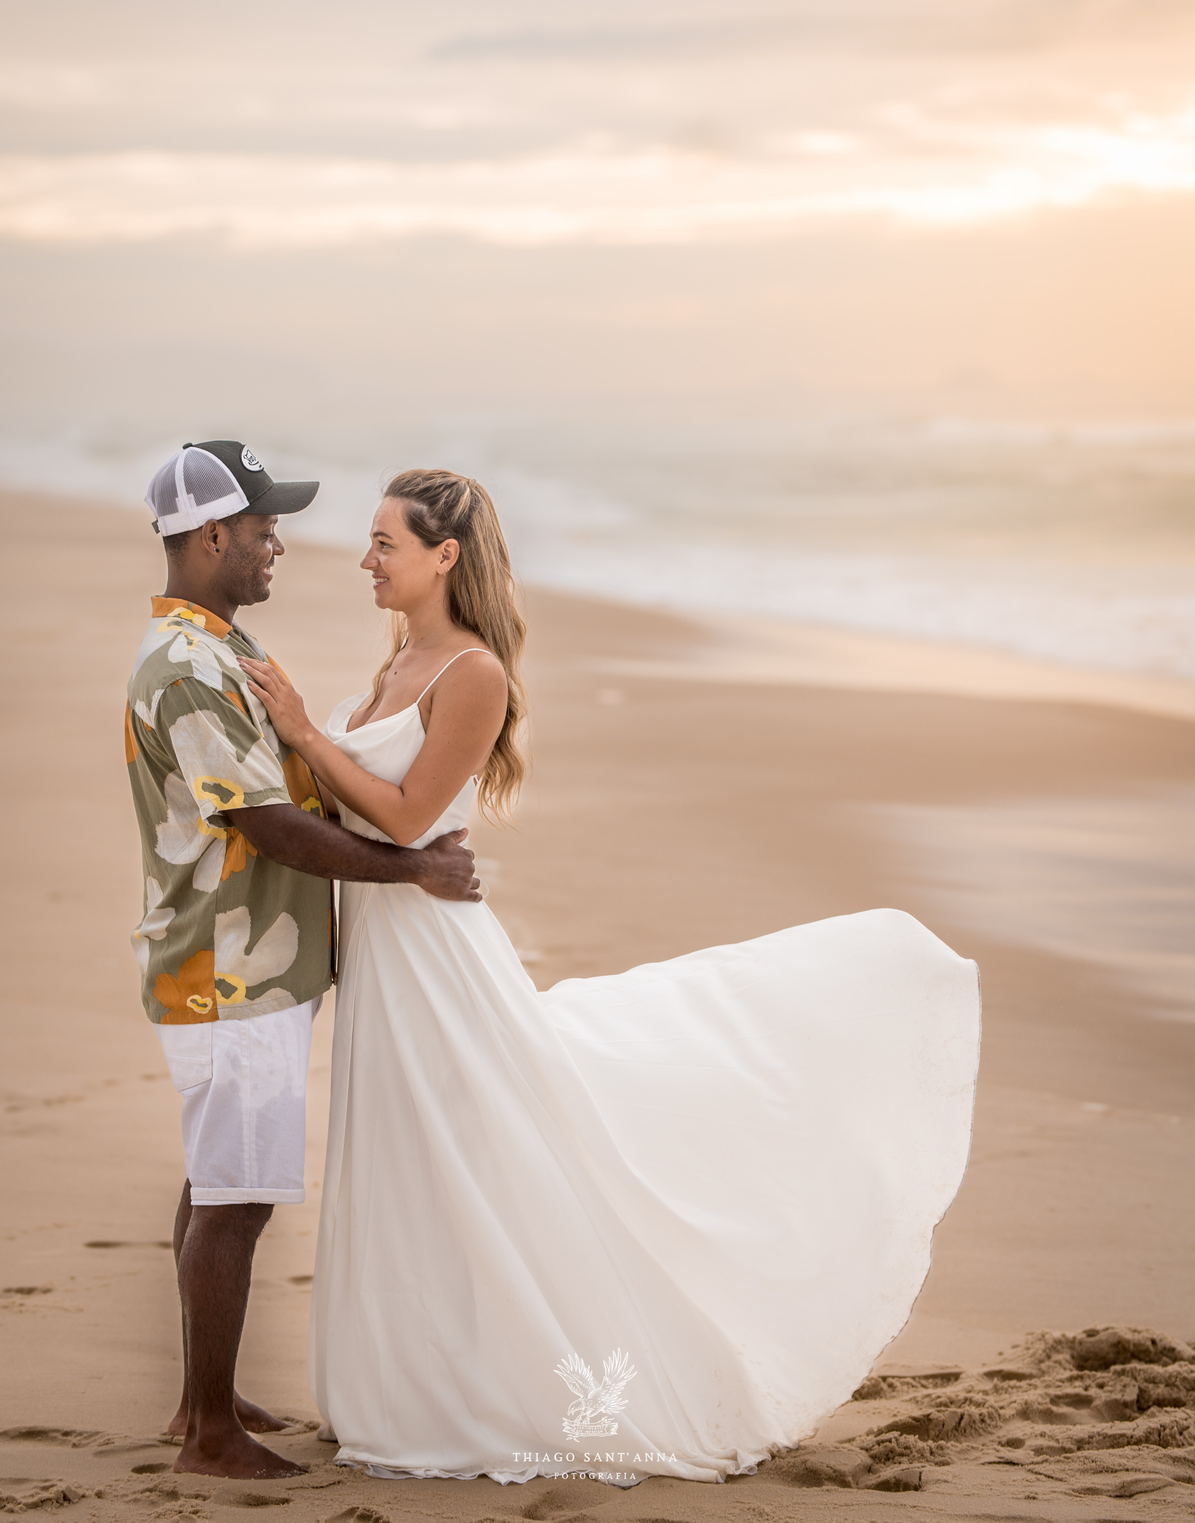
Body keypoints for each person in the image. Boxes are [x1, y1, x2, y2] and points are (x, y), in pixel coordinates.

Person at [244, 466, 982, 1488]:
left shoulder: (472, 673)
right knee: (408, 1156)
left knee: (471, 1151)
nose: (365, 559)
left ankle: (501, 1386)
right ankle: (411, 1377)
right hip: (384, 947)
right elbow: (352, 811)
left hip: (435, 955)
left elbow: (408, 818)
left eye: (385, 543)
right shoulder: (395, 661)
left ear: (444, 556)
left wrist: (303, 733)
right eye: (369, 541)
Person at [125, 441, 481, 1484]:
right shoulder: (191, 668)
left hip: (241, 960)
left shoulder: (219, 645)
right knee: (235, 1200)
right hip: (230, 968)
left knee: (216, 1181)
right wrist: (413, 867)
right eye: (264, 526)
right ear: (211, 535)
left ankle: (204, 1398)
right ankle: (211, 1435)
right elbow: (269, 823)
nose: (277, 543)